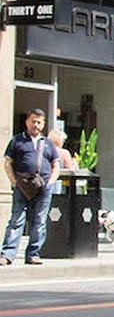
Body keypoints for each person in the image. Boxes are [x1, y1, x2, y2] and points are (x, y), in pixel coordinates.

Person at [2, 109, 62, 266]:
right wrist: (14, 182)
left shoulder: (48, 143)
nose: (36, 125)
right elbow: (7, 163)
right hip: (21, 186)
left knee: (40, 220)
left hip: (43, 187)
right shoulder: (17, 141)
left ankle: (33, 254)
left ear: (43, 124)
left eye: (39, 122)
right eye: (33, 121)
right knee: (16, 220)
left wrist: (51, 182)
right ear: (27, 122)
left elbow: (56, 165)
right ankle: (7, 255)